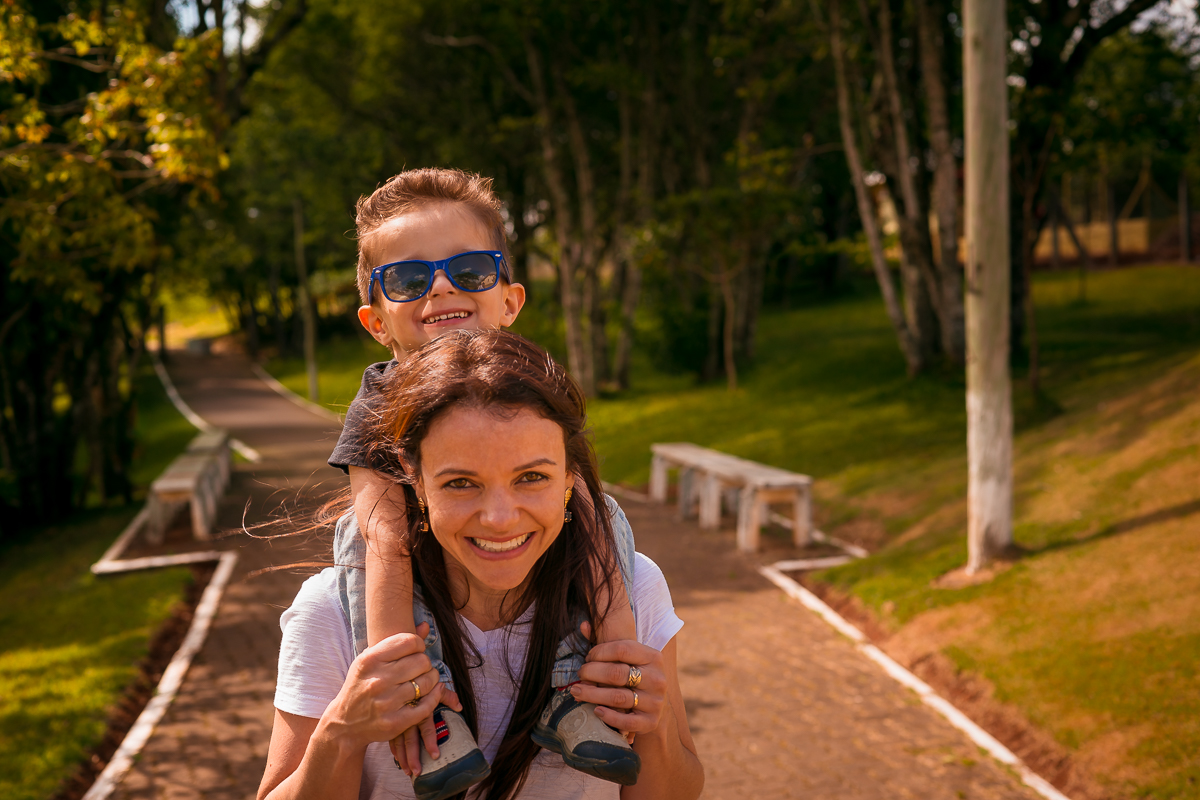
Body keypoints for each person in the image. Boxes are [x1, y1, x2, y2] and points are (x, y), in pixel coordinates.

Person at [258, 330, 703, 800]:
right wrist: (341, 735)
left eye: (532, 477)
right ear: (415, 478)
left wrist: (655, 725)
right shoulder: (329, 611)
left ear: (571, 476)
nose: (499, 518)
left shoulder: (636, 586)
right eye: (461, 483)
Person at [325, 168, 642, 799]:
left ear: (510, 300)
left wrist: (623, 657)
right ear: (377, 321)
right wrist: (398, 672)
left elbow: (577, 501)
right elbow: (383, 535)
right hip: (416, 563)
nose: (440, 287)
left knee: (601, 511)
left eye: (469, 269)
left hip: (576, 632)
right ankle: (429, 705)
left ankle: (581, 696)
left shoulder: (529, 387)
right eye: (409, 279)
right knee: (358, 539)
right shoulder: (379, 399)